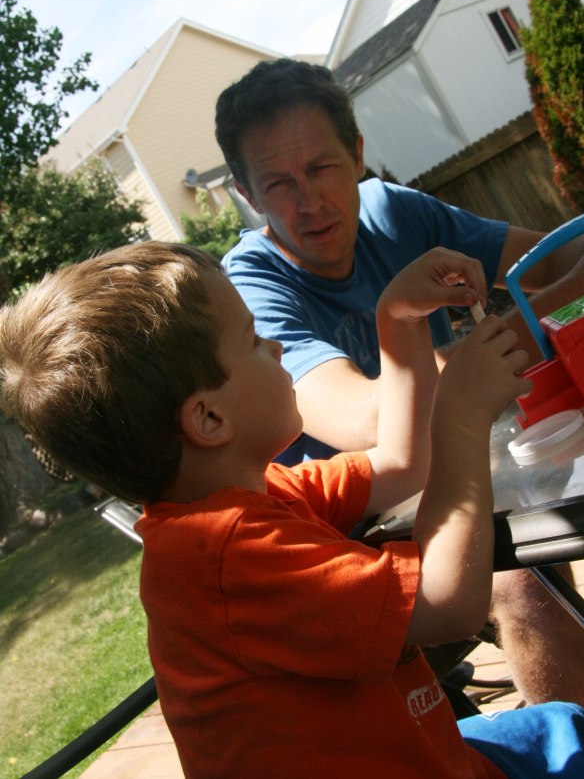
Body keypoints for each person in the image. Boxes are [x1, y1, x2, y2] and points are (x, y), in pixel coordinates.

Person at [1, 240, 583, 779]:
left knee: (563, 728)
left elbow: (404, 462)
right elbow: (445, 604)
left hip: (426, 751)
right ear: (209, 419)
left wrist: (397, 324)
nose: (277, 346)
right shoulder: (223, 556)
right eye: (254, 340)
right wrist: (460, 418)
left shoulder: (257, 495)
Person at [216, 57, 584, 706]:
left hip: (459, 473)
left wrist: (546, 304)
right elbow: (372, 420)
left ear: (357, 154)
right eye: (277, 184)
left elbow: (556, 257)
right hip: (348, 541)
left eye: (323, 168)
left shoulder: (393, 214)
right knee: (523, 579)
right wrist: (530, 331)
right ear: (247, 195)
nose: (309, 202)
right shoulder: (251, 286)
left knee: (545, 528)